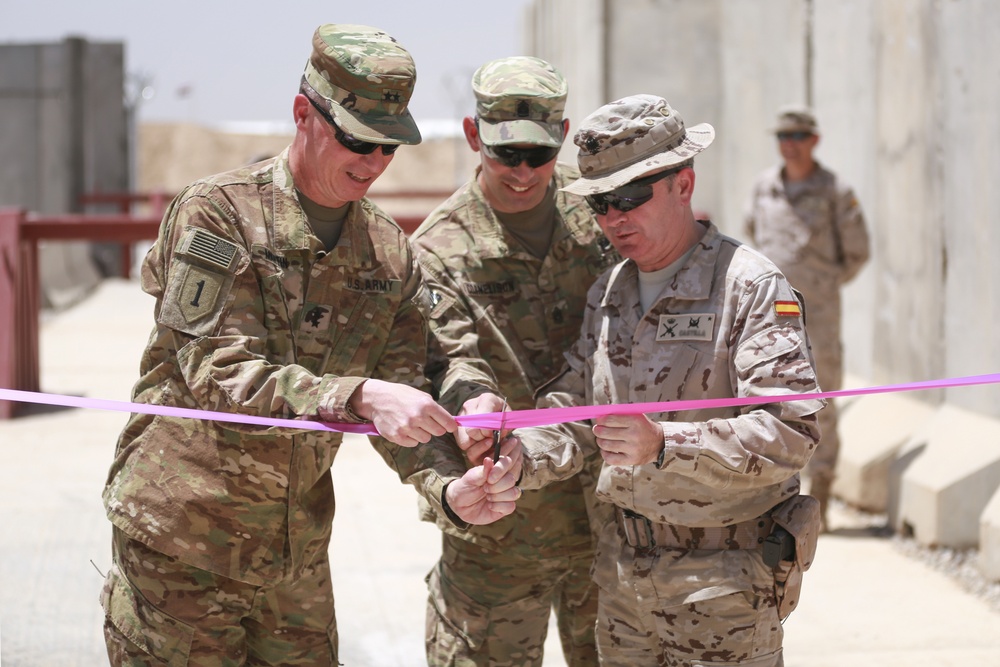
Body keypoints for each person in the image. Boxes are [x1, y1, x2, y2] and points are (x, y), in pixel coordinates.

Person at [98, 24, 519, 666]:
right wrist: (360, 396)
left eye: (388, 148)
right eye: (356, 139)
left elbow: (407, 391)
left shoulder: (388, 252)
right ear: (303, 112)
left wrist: (448, 487)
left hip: (293, 556)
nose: (372, 162)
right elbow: (217, 368)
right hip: (183, 545)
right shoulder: (217, 215)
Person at [514, 94, 826, 666]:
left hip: (723, 590)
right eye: (601, 203)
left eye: (631, 197)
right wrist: (518, 455)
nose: (615, 218)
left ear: (683, 184)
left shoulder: (749, 287)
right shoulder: (609, 293)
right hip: (624, 586)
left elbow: (791, 434)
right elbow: (578, 411)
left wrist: (664, 443)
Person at [409, 56, 618, 666]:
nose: (524, 172)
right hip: (497, 533)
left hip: (605, 523)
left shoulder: (604, 215)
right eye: (507, 155)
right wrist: (472, 407)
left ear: (563, 136)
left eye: (540, 154)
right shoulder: (439, 249)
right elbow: (444, 360)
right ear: (475, 136)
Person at [743, 105, 871, 531]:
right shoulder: (765, 187)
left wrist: (823, 284)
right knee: (772, 398)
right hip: (773, 317)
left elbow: (857, 252)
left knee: (823, 401)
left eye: (797, 135)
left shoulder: (836, 190)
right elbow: (752, 238)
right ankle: (777, 497)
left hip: (819, 316)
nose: (789, 144)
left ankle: (823, 496)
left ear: (814, 140)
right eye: (782, 136)